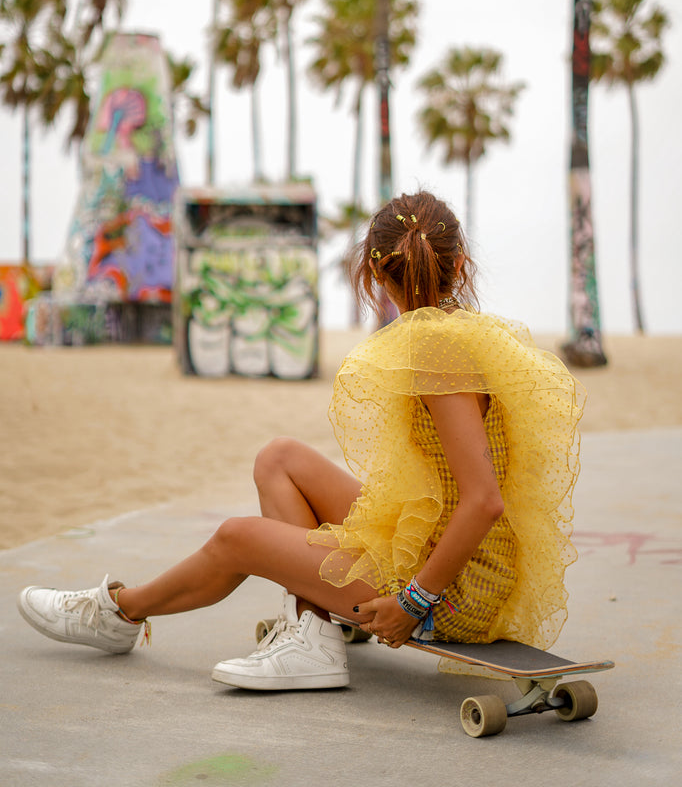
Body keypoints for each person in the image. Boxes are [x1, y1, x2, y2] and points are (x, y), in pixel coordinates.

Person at [17, 190, 585, 692]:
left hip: (456, 590)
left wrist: (415, 601)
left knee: (237, 537)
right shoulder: (460, 334)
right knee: (280, 458)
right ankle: (313, 636)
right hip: (443, 546)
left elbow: (484, 499)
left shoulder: (437, 352)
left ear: (372, 274)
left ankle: (119, 613)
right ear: (460, 264)